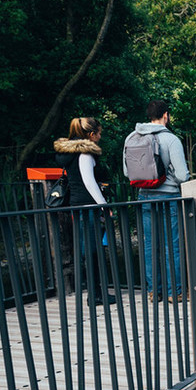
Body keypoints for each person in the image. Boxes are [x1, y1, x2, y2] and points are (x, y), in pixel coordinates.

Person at [123, 100, 190, 301]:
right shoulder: (171, 140)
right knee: (173, 245)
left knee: (150, 245)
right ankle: (175, 292)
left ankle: (154, 291)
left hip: (144, 197)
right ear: (166, 115)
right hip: (168, 197)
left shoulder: (131, 137)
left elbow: (128, 172)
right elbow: (182, 176)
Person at [55, 117, 114, 305]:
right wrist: (104, 206)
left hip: (77, 206)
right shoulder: (85, 155)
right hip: (89, 207)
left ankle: (95, 292)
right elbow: (89, 183)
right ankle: (97, 295)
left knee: (87, 251)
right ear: (91, 135)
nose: (100, 137)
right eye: (99, 133)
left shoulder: (70, 154)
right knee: (93, 252)